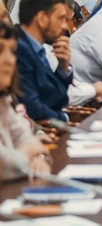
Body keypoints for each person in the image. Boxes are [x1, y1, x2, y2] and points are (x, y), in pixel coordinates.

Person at [0, 21, 52, 182]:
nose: (10, 60)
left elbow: (25, 138)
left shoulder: (3, 99)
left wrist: (37, 157)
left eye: (12, 51)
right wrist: (30, 153)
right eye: (0, 50)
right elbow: (4, 166)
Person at [16, 0, 73, 122]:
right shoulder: (18, 49)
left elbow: (55, 98)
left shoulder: (37, 48)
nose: (65, 27)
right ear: (42, 19)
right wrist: (64, 118)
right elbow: (32, 108)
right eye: (61, 19)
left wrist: (63, 68)